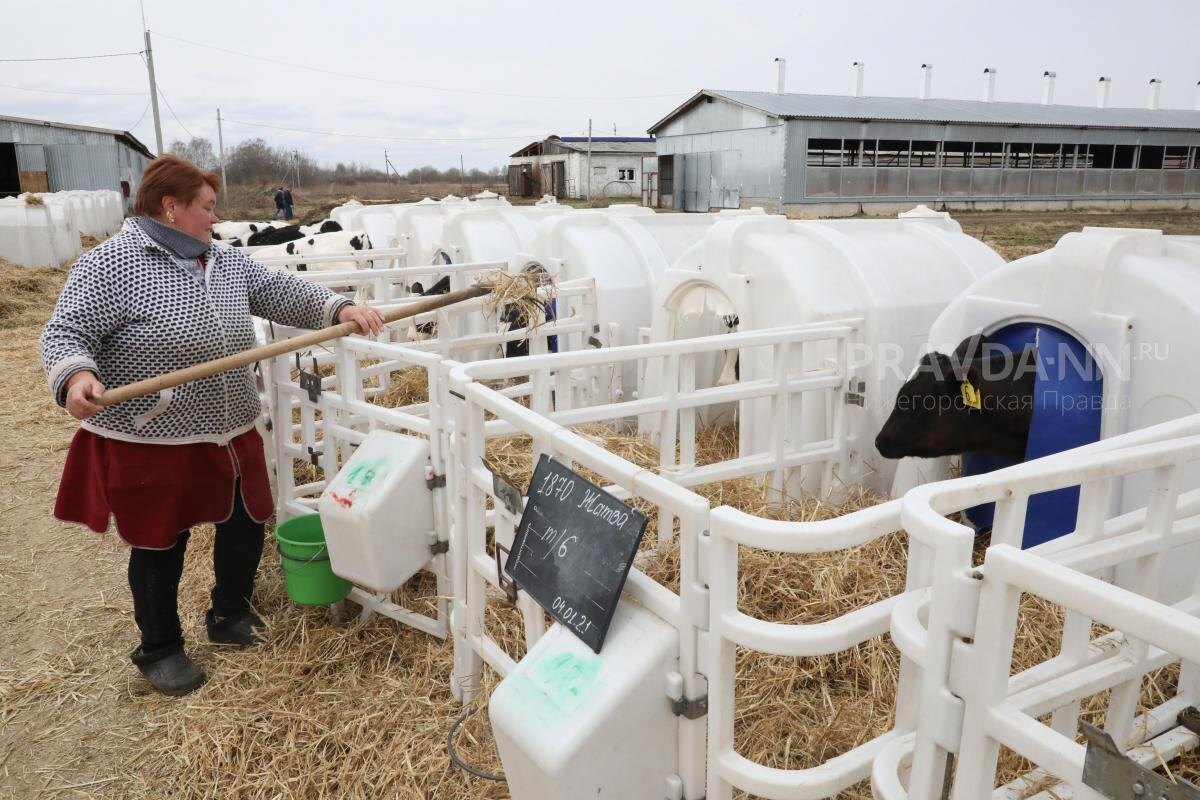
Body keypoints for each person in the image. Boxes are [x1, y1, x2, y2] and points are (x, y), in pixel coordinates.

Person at [40, 155, 384, 696]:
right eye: (205, 206)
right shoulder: (111, 264)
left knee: (246, 522)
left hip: (230, 422)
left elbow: (279, 290)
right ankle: (160, 648)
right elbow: (66, 332)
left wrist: (337, 308)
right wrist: (76, 375)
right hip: (155, 432)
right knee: (160, 542)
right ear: (169, 207)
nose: (214, 216)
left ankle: (229, 615)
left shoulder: (220, 259)